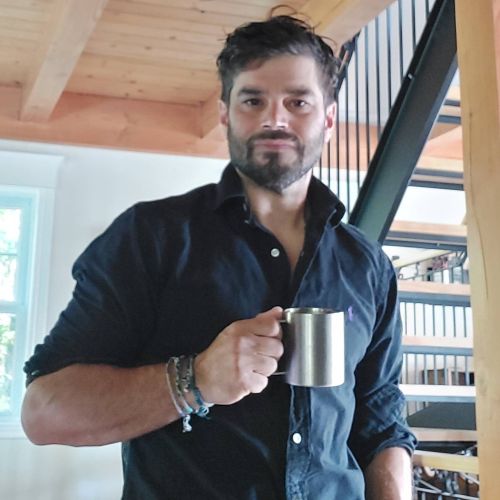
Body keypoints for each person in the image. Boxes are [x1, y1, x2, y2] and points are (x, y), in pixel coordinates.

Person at [22, 15, 417, 500]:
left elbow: (381, 419)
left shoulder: (368, 265)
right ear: (226, 114)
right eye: (253, 100)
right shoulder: (151, 237)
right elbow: (44, 412)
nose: (275, 119)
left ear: (329, 119)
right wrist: (196, 380)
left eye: (298, 102)